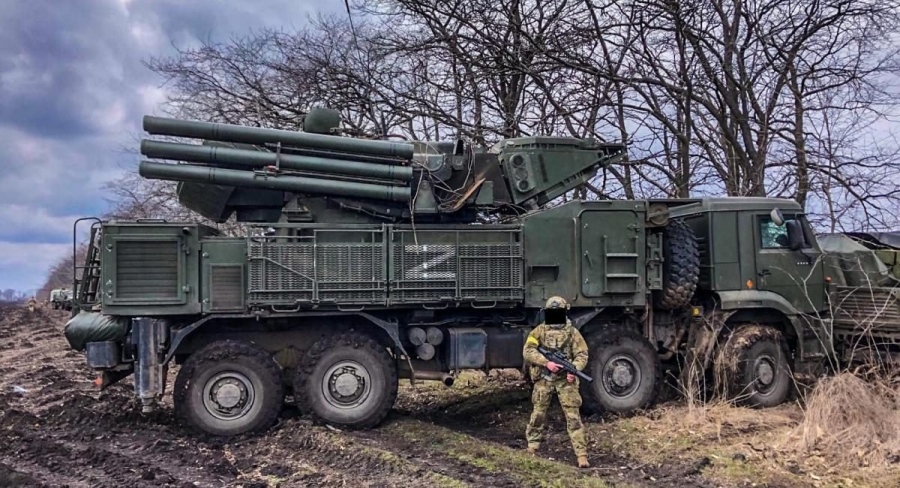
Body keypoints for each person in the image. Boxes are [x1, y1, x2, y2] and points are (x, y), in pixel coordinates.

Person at [522, 296, 591, 468]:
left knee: (573, 417)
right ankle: (532, 446)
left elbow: (582, 354)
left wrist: (574, 369)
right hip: (544, 378)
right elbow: (528, 350)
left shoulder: (572, 333)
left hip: (565, 380)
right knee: (538, 413)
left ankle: (581, 454)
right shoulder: (539, 331)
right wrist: (546, 363)